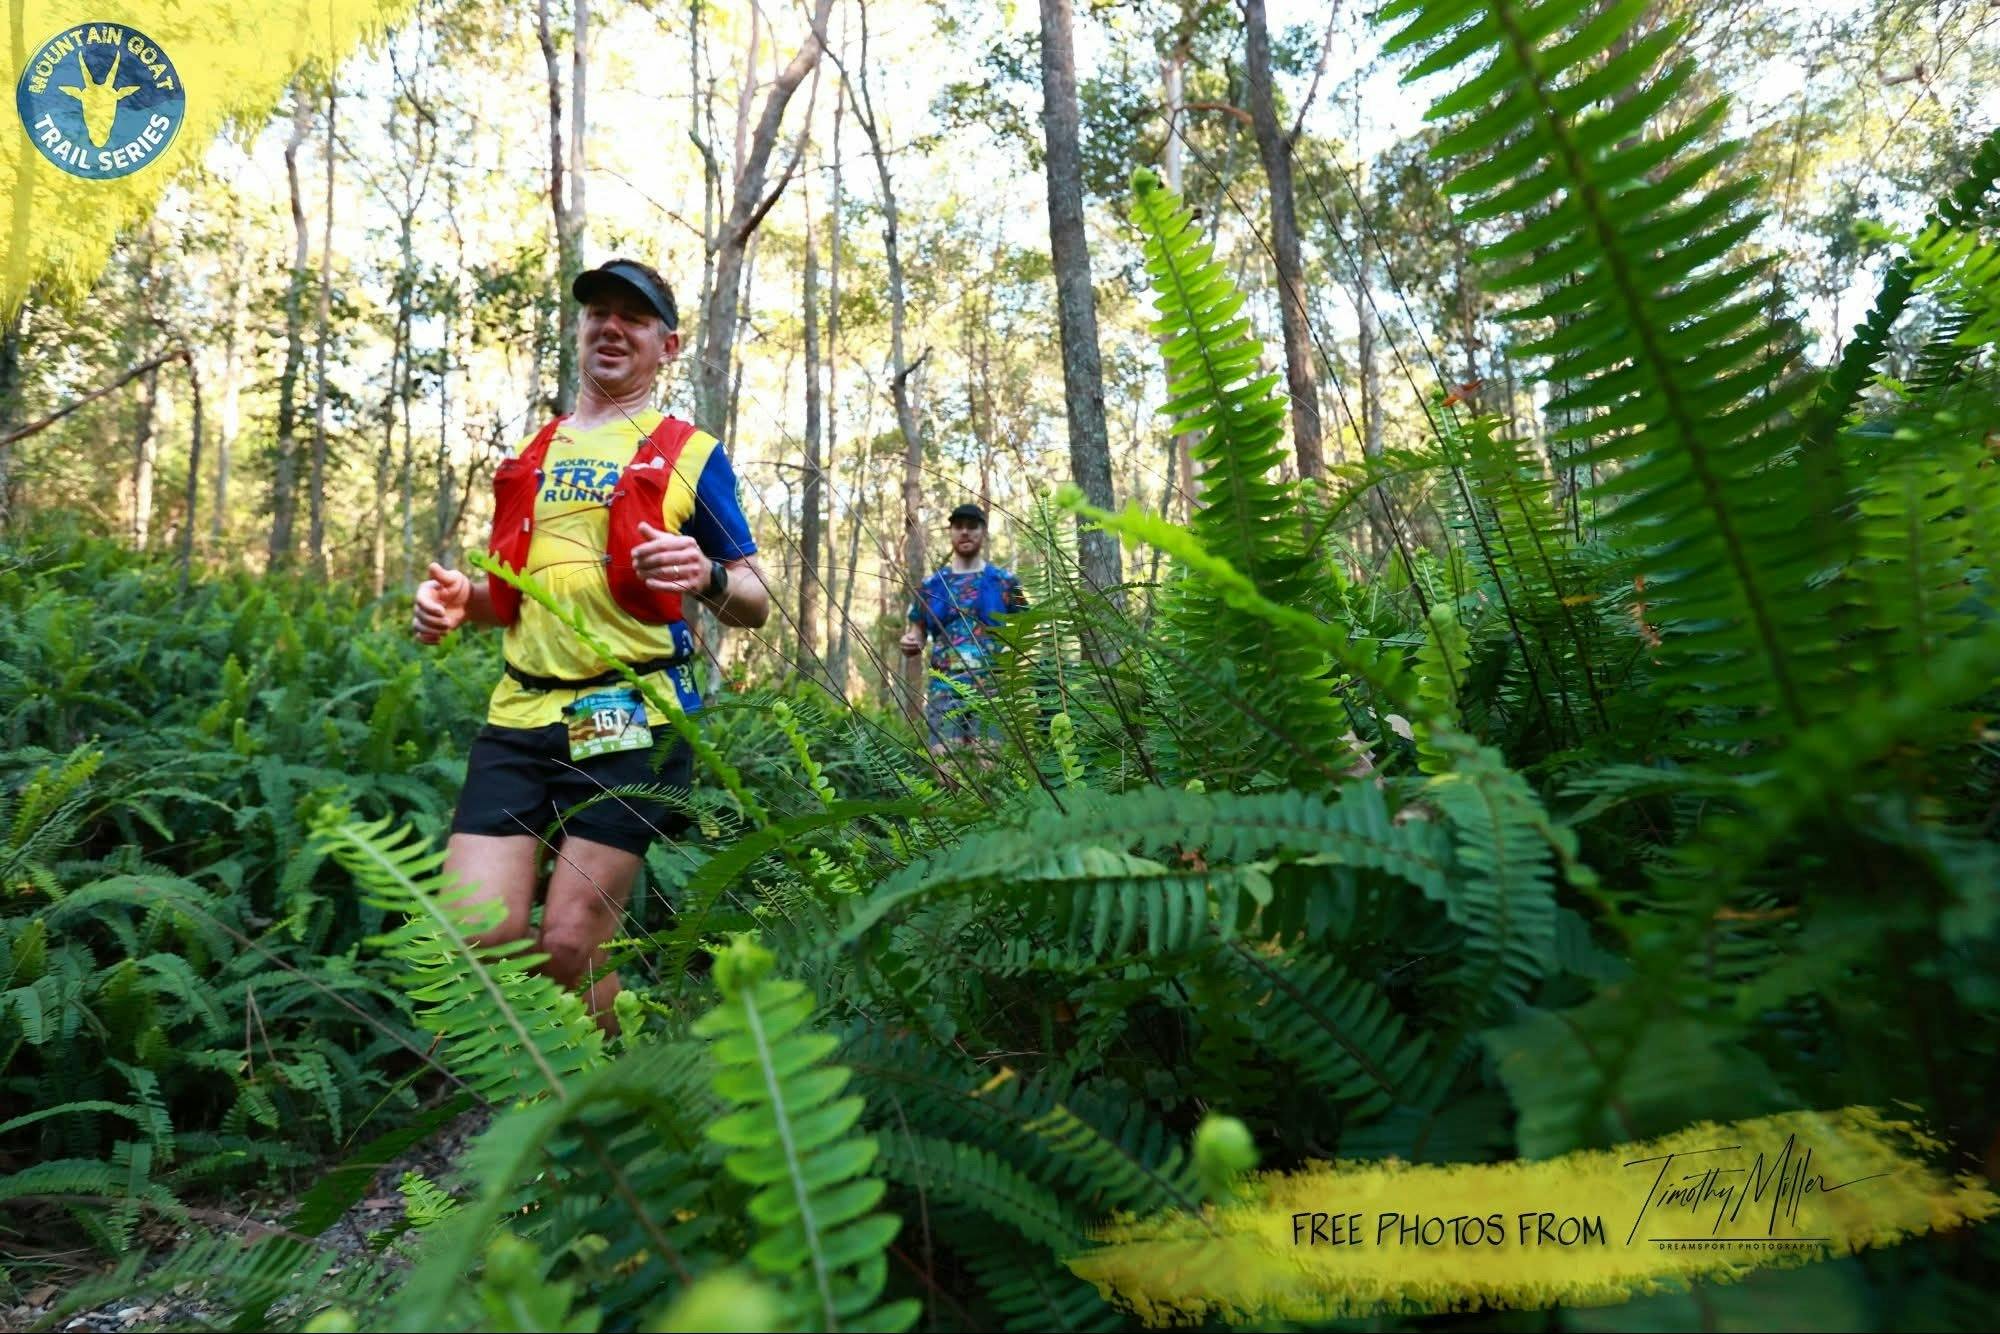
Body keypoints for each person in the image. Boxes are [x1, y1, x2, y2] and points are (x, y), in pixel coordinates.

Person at [410, 256, 770, 1032]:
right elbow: (510, 599)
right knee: (477, 933)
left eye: (633, 318)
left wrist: (706, 573)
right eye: (596, 313)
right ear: (579, 330)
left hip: (631, 713)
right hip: (520, 716)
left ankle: (603, 1088)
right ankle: (543, 1080)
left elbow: (755, 600)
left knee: (569, 943)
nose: (611, 327)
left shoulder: (689, 453)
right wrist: (452, 604)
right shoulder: (534, 454)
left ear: (666, 347)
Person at [898, 502, 1027, 756]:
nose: (965, 532)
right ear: (951, 532)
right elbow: (917, 631)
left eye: (972, 526)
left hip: (992, 689)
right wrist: (910, 641)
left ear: (983, 531)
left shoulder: (1005, 582)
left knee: (989, 768)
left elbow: (1027, 630)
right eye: (959, 527)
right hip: (944, 689)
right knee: (947, 770)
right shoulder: (931, 585)